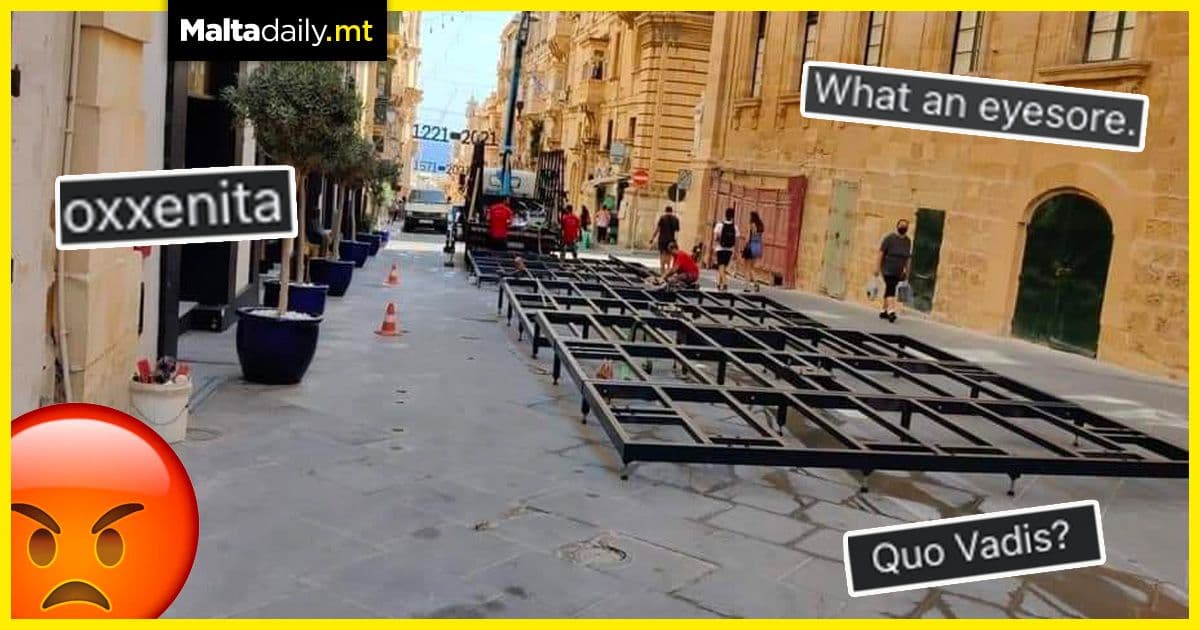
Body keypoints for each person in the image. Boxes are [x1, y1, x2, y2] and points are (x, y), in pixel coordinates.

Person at [878, 219, 913, 323]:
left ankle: (884, 310)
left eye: (905, 226)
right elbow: (881, 253)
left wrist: (907, 270)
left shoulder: (908, 241)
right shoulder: (889, 239)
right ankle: (891, 311)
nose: (903, 228)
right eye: (901, 225)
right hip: (887, 268)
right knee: (891, 287)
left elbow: (907, 257)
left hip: (899, 270)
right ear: (897, 226)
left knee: (889, 288)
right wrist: (877, 267)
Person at [712, 207, 740, 291]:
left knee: (720, 266)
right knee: (724, 267)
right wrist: (736, 252)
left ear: (725, 214)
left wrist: (715, 244)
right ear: (732, 216)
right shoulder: (735, 227)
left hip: (720, 248)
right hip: (729, 249)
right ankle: (719, 284)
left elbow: (715, 238)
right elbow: (737, 240)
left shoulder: (719, 225)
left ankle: (725, 282)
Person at [649, 206, 681, 274]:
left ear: (665, 211)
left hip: (662, 240)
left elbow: (658, 229)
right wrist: (676, 242)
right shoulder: (676, 219)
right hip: (671, 241)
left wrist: (652, 238)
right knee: (669, 257)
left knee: (662, 256)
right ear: (672, 211)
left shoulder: (662, 218)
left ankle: (662, 273)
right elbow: (677, 232)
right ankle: (668, 272)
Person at [742, 211, 766, 292]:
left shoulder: (751, 225)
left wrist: (744, 246)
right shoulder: (760, 226)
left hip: (750, 246)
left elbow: (748, 237)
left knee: (747, 268)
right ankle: (756, 282)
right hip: (757, 247)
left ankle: (747, 286)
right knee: (752, 267)